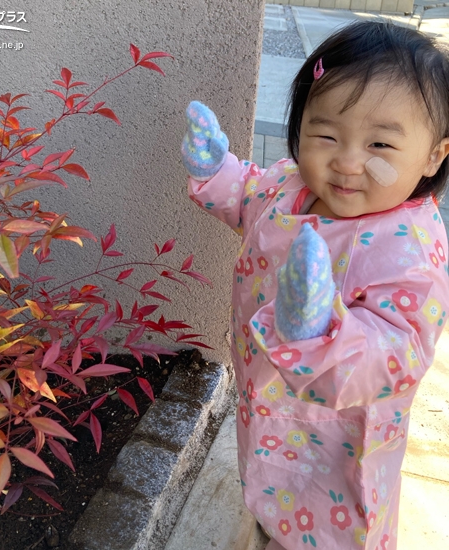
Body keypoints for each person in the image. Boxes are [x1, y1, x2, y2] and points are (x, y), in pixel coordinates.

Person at [181, 20, 449, 550]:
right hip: (267, 399)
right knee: (269, 489)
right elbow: (249, 199)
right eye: (325, 134)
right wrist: (215, 170)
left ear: (433, 155)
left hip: (342, 434)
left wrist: (320, 328)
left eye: (379, 144)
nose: (347, 161)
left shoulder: (407, 250)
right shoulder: (289, 185)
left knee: (334, 526)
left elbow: (398, 351)